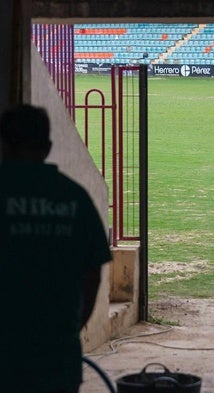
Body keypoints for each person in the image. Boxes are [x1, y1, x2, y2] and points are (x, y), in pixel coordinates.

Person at [0, 104, 112, 393]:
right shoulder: (75, 198)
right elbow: (93, 278)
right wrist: (69, 333)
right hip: (57, 355)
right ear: (48, 147)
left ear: (4, 144)